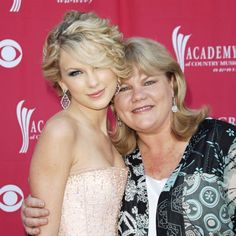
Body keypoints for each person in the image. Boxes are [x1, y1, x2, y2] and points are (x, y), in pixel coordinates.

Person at [21, 37, 236, 235]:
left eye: (149, 82)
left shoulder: (221, 142)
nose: (138, 96)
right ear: (113, 102)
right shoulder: (121, 161)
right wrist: (38, 213)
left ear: (172, 84)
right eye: (124, 88)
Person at [25, 10, 131, 235]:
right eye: (76, 72)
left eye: (99, 65)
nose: (93, 82)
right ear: (62, 83)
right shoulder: (61, 132)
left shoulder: (115, 135)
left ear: (115, 65)